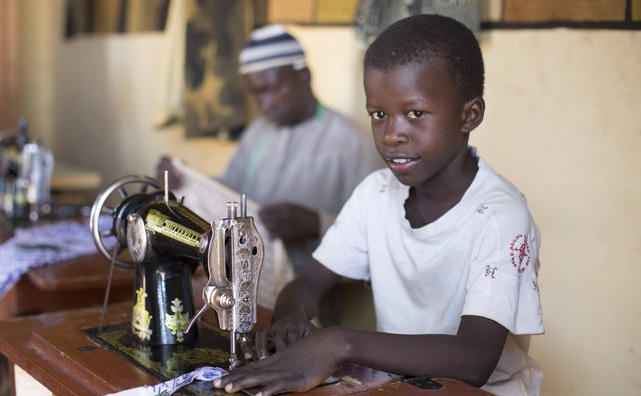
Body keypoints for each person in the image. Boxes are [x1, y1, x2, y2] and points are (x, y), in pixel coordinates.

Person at [213, 14, 544, 396]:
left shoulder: (501, 215)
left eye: (415, 114)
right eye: (378, 114)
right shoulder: (377, 194)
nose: (391, 135)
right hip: (403, 387)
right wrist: (290, 319)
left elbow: (474, 359)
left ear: (470, 115)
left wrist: (338, 342)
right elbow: (309, 282)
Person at [157, 24, 381, 274]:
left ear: (303, 75)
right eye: (255, 94)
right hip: (251, 279)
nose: (264, 104)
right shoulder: (258, 132)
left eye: (271, 89)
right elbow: (228, 191)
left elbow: (377, 234)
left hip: (314, 293)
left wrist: (315, 223)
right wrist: (185, 180)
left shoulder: (350, 141)